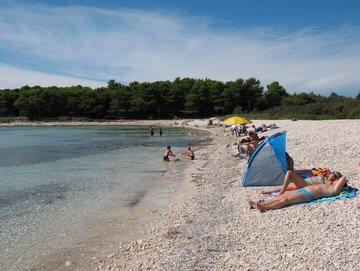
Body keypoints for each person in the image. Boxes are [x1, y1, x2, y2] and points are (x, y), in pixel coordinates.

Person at [248, 175, 348, 212]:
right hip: (305, 189)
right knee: (283, 196)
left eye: (337, 180)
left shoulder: (334, 189)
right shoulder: (329, 185)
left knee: (285, 200)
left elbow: (344, 178)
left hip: (308, 195)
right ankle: (261, 204)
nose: (336, 180)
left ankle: (263, 207)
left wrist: (340, 180)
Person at [256, 170, 343, 195]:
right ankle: (264, 192)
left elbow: (341, 181)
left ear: (335, 178)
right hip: (304, 182)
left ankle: (282, 191)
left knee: (289, 173)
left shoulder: (328, 182)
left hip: (306, 184)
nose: (329, 174)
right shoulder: (324, 177)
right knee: (284, 187)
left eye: (332, 174)